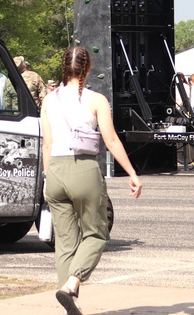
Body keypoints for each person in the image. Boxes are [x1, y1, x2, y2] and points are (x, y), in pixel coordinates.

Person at [41, 46, 142, 314]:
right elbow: (110, 140)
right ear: (87, 69)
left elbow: (47, 144)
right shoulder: (96, 100)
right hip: (83, 169)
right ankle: (70, 285)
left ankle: (68, 305)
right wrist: (131, 173)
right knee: (97, 232)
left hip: (55, 172)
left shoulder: (49, 100)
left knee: (65, 242)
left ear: (64, 67)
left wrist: (45, 178)